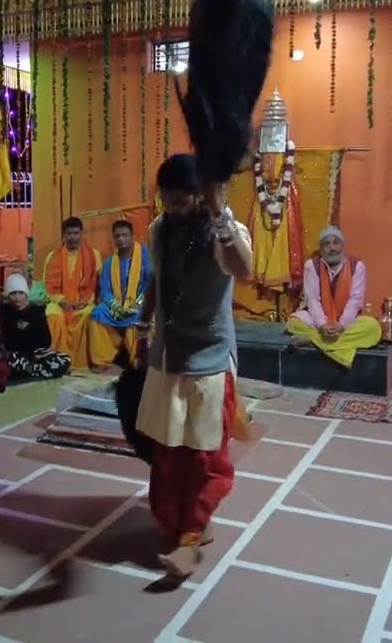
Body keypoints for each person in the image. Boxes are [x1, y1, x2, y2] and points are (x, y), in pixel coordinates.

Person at [135, 154, 255, 578]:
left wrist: (220, 212)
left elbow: (245, 268)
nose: (172, 208)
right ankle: (187, 525)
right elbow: (158, 277)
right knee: (169, 453)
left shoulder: (224, 233)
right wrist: (142, 325)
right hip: (168, 357)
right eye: (166, 200)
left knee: (204, 457)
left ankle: (188, 543)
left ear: (199, 196)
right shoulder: (158, 229)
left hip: (208, 362)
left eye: (181, 201)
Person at [285, 226, 383, 368]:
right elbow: (312, 299)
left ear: (342, 246)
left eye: (336, 243)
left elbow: (355, 301)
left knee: (373, 328)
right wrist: (323, 324)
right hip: (319, 320)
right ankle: (335, 345)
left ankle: (312, 340)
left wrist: (342, 325)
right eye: (327, 244)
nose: (332, 248)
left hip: (346, 321)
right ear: (321, 248)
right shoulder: (311, 265)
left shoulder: (357, 266)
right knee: (294, 323)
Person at [89, 220, 152, 370]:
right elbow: (105, 290)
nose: (121, 239)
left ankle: (138, 360)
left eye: (125, 235)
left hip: (141, 304)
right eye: (117, 236)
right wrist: (115, 306)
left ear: (132, 236)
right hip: (118, 306)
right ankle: (102, 360)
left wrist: (137, 304)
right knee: (97, 313)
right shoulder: (110, 262)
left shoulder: (146, 256)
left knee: (138, 318)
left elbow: (152, 283)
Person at [42, 217, 101, 370]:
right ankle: (55, 361)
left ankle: (80, 363)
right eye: (69, 233)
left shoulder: (93, 255)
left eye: (76, 233)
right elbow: (48, 285)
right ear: (63, 235)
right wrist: (60, 300)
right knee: (53, 316)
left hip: (84, 302)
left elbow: (97, 282)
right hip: (60, 302)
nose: (73, 237)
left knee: (88, 315)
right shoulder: (52, 257)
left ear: (82, 234)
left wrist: (85, 300)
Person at [0, 273, 71, 380]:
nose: (17, 298)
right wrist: (19, 332)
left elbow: (46, 341)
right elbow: (6, 341)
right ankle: (37, 371)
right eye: (13, 294)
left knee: (64, 359)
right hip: (15, 353)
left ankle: (31, 371)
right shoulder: (3, 311)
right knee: (8, 361)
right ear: (8, 296)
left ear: (26, 294)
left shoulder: (37, 310)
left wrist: (28, 329)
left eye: (20, 293)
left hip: (36, 353)